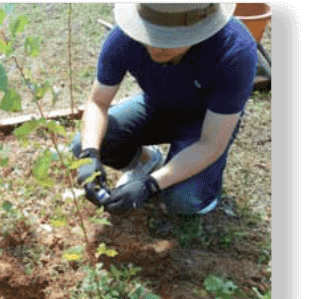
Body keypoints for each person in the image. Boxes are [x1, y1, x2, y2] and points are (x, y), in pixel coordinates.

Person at [71, 3, 257, 216]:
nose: (155, 47)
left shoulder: (235, 51)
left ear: (200, 33)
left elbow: (211, 143)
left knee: (182, 201)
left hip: (205, 125)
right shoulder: (124, 37)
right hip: (156, 107)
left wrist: (149, 185)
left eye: (169, 40)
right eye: (149, 36)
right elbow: (98, 103)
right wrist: (90, 155)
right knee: (83, 142)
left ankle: (205, 191)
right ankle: (146, 160)